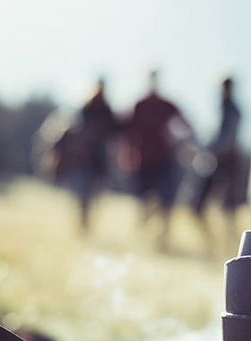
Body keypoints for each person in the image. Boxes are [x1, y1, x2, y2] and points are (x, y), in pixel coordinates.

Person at [126, 70, 194, 248]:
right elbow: (128, 133)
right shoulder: (139, 105)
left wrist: (182, 145)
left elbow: (188, 126)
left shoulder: (167, 105)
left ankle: (163, 240)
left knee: (165, 202)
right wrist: (127, 154)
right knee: (143, 203)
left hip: (164, 162)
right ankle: (142, 239)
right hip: (143, 163)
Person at [53, 79, 118, 231]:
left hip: (99, 162)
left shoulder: (107, 111)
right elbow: (72, 129)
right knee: (82, 196)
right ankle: (82, 226)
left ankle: (86, 225)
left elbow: (114, 134)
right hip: (82, 160)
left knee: (93, 196)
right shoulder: (85, 108)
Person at [194, 77, 245, 226]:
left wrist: (208, 153)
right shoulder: (224, 108)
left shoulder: (233, 110)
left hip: (227, 161)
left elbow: (227, 140)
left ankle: (228, 242)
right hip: (220, 159)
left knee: (227, 206)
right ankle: (214, 241)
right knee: (201, 204)